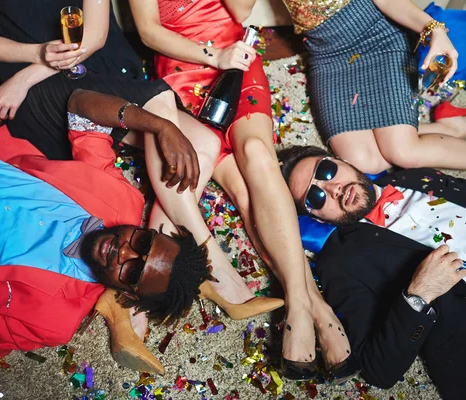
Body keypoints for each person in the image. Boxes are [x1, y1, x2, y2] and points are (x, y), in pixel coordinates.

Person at [128, 0, 352, 380]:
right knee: (243, 193)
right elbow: (149, 31)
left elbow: (242, 9)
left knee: (256, 154)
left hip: (237, 61)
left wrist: (225, 55)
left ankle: (300, 305)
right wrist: (213, 56)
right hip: (184, 76)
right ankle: (316, 306)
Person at [0, 88, 231, 374]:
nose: (124, 251)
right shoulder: (122, 199)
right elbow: (79, 106)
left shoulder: (52, 320)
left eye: (133, 271)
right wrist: (160, 125)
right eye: (142, 242)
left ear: (128, 295)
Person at [278, 144, 466, 399]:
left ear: (343, 161)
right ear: (316, 218)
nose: (333, 188)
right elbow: (377, 370)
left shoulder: (418, 178)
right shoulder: (341, 262)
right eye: (316, 196)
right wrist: (417, 296)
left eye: (326, 171)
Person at [281, 0, 466, 193]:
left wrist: (435, 30)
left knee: (403, 152)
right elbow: (240, 11)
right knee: (365, 161)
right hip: (327, 55)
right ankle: (448, 126)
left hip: (377, 40)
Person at [0, 0, 151, 160]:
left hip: (93, 55)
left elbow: (95, 37)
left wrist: (24, 79)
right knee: (156, 126)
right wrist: (38, 53)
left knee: (157, 122)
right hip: (25, 62)